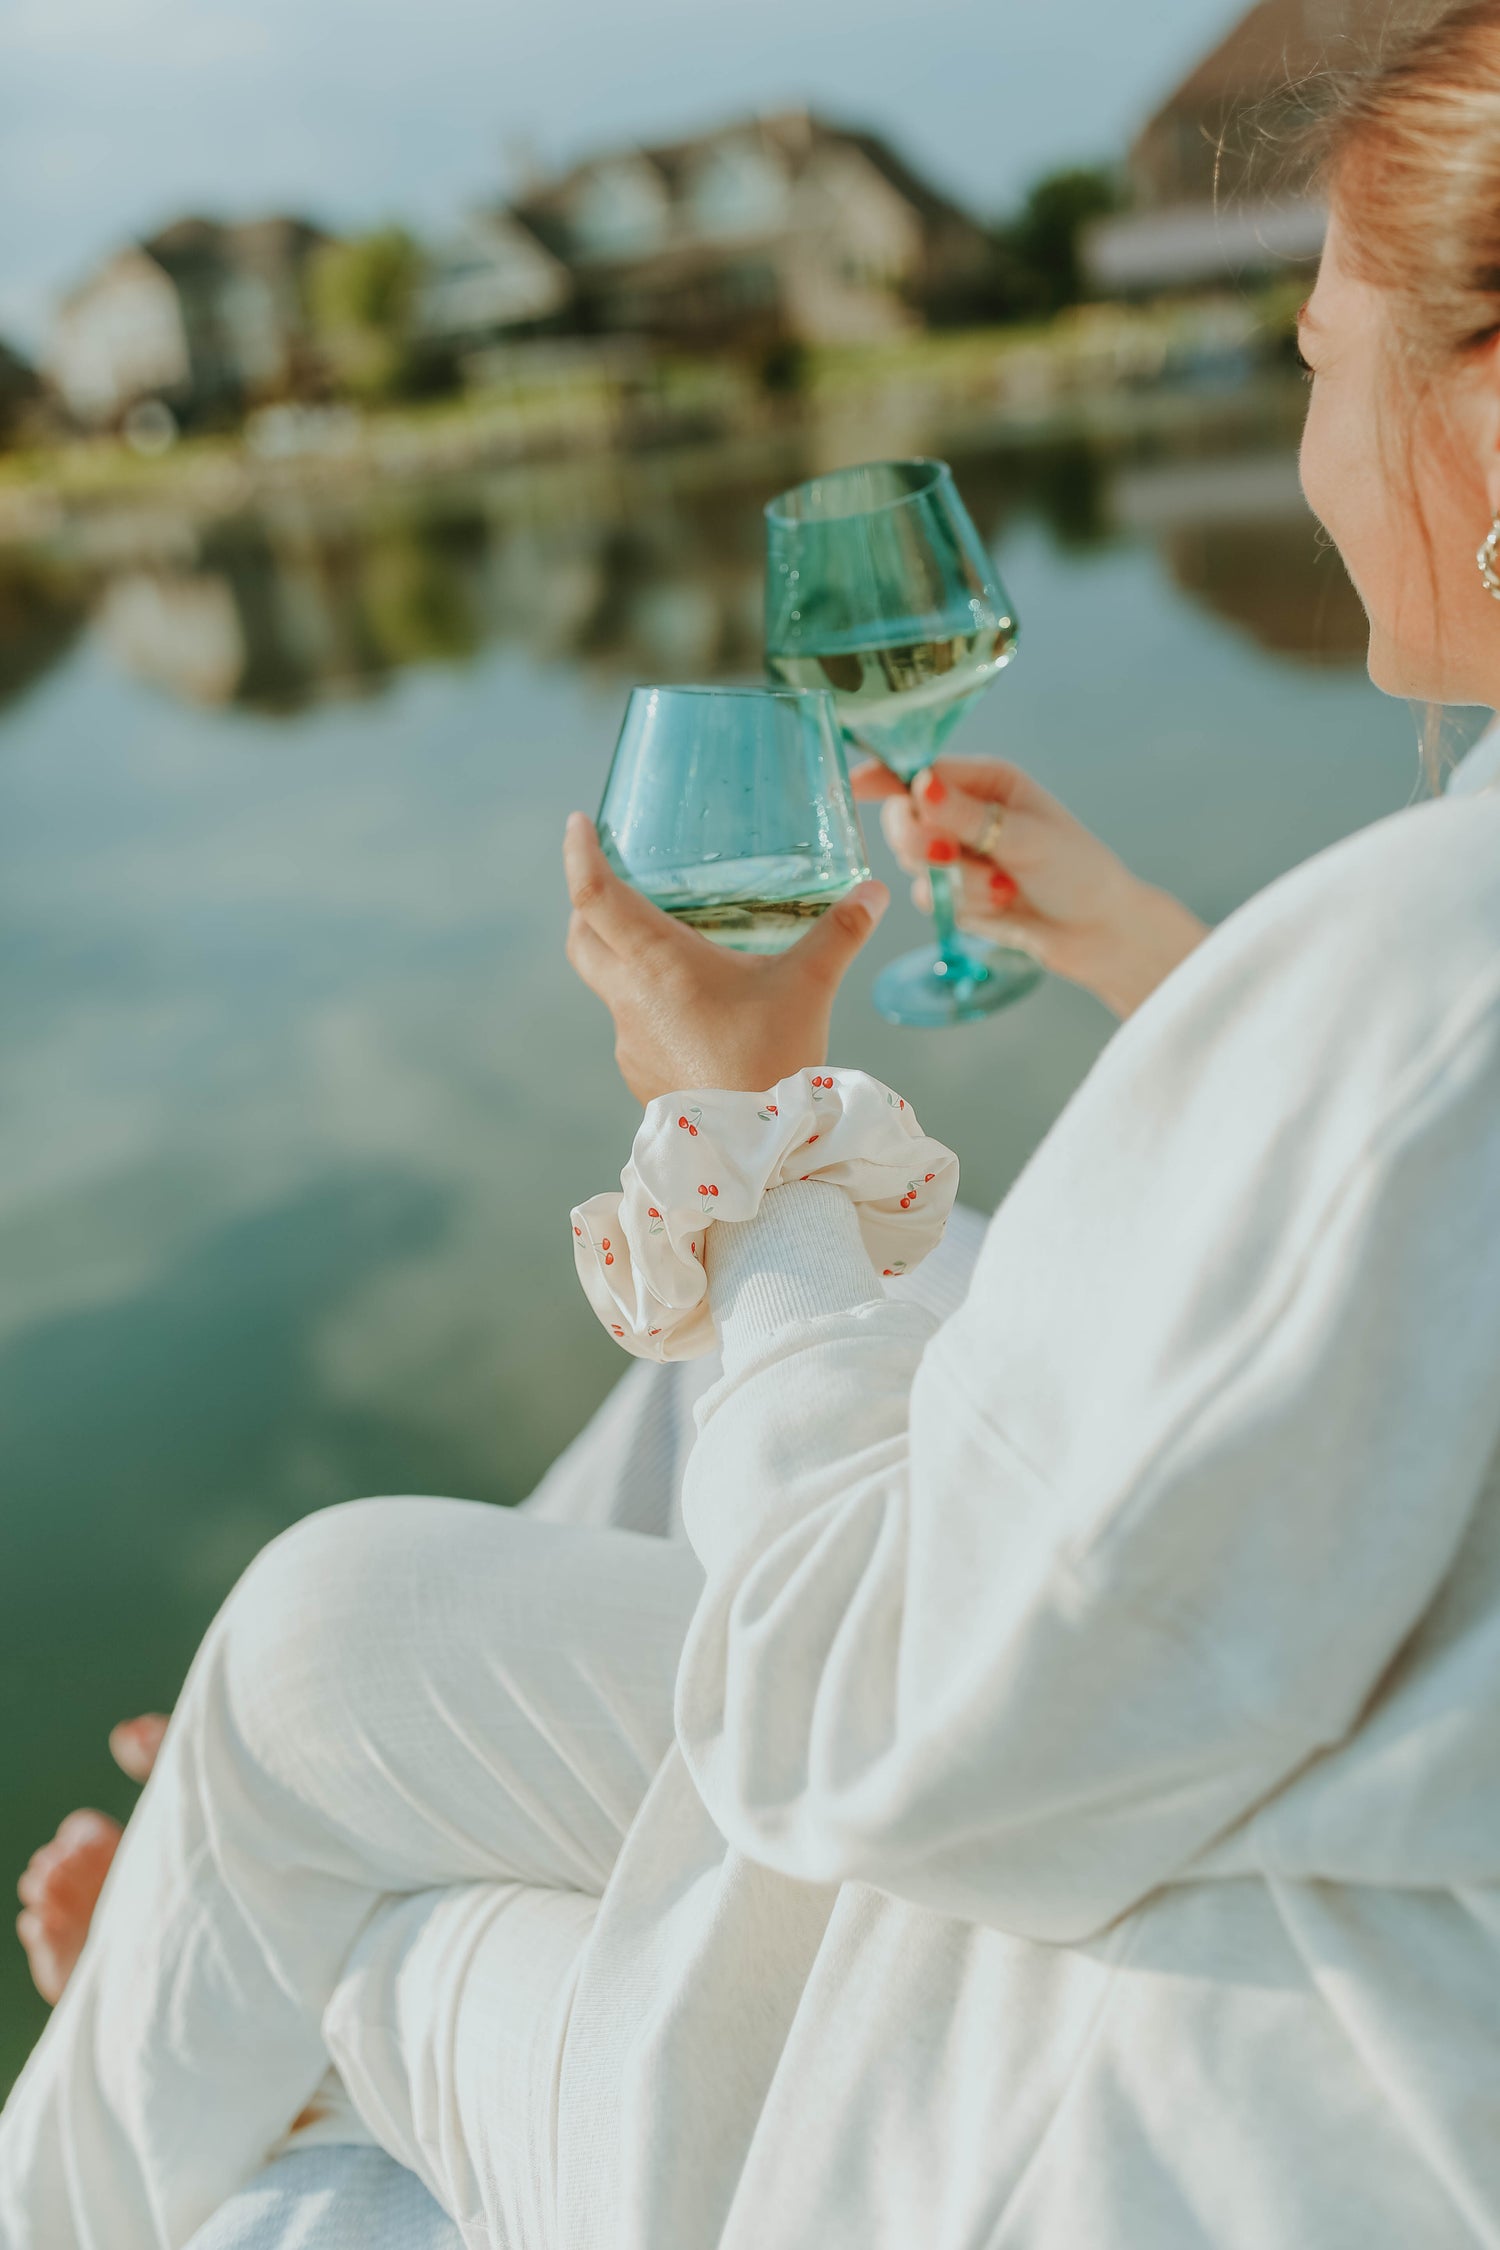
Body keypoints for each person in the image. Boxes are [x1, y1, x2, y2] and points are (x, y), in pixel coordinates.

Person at [7, 6, 1500, 2242]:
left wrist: (750, 1137)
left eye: (1311, 352)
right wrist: (1148, 957)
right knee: (662, 1426)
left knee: (325, 1885)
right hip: (1251, 1793)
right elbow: (1409, 1261)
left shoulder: (1429, 965)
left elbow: (860, 1733)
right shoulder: (1421, 960)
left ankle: (176, 2019)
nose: (1300, 435)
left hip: (1072, 2082)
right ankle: (224, 1922)